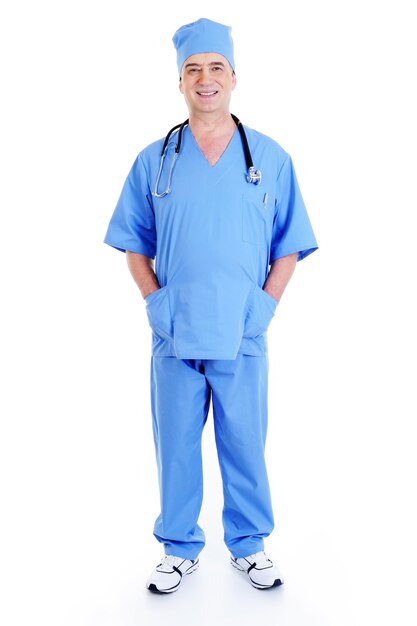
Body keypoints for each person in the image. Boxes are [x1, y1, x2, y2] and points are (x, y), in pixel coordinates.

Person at [104, 17, 318, 594]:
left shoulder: (269, 158)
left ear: (233, 77)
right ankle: (178, 547)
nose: (205, 79)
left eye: (215, 68)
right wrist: (156, 303)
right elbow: (132, 243)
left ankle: (249, 545)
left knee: (245, 442)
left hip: (243, 329)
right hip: (175, 331)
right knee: (174, 445)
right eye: (193, 69)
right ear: (179, 82)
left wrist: (264, 309)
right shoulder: (156, 160)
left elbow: (290, 245)